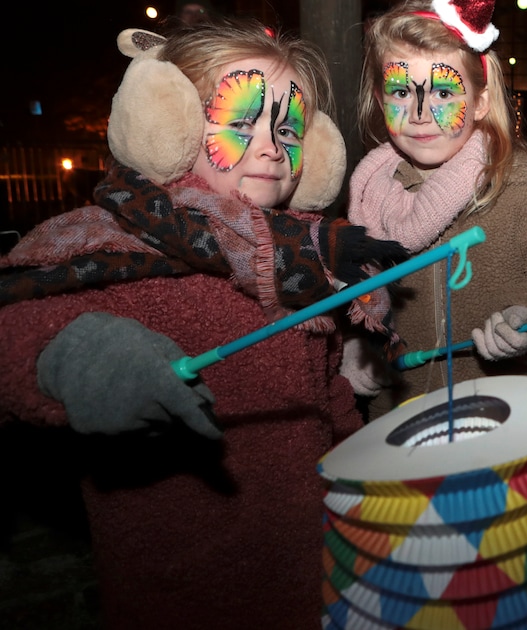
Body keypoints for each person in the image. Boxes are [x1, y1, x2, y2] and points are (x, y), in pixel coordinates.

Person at [0, 18, 407, 630]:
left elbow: (329, 411)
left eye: (289, 128)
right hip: (178, 598)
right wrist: (78, 355)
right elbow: (16, 336)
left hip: (312, 577)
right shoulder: (109, 247)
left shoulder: (299, 264)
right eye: (241, 121)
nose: (273, 146)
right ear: (170, 124)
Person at [346, 0, 527, 415]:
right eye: (401, 92)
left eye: (442, 92)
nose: (420, 114)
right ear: (380, 100)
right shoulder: (367, 202)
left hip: (505, 429)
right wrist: (353, 348)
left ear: (481, 102)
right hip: (401, 436)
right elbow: (347, 301)